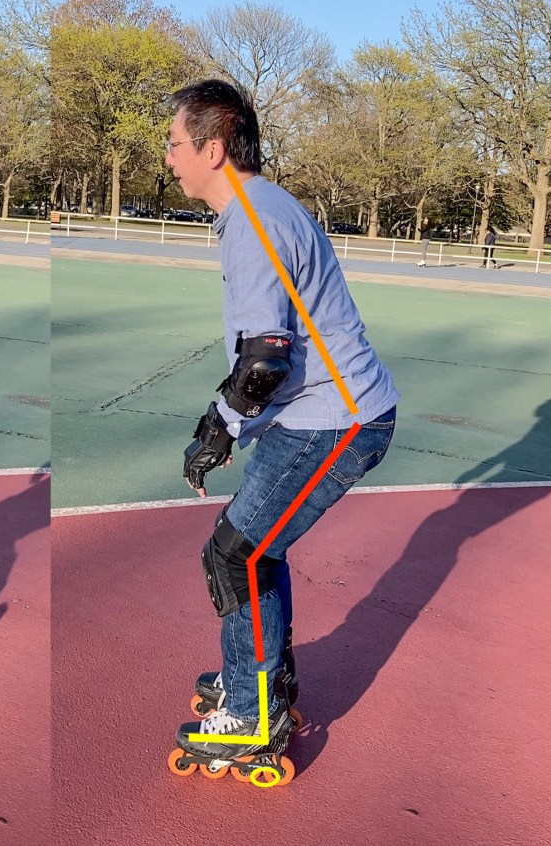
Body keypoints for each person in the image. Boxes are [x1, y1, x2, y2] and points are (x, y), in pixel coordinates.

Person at [164, 79, 399, 783]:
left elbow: (266, 357)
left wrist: (223, 426)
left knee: (235, 554)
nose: (169, 159)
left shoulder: (253, 218)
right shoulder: (258, 209)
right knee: (253, 549)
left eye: (176, 144)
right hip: (325, 412)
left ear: (212, 147)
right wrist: (225, 418)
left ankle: (253, 709)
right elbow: (265, 355)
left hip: (336, 420)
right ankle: (261, 676)